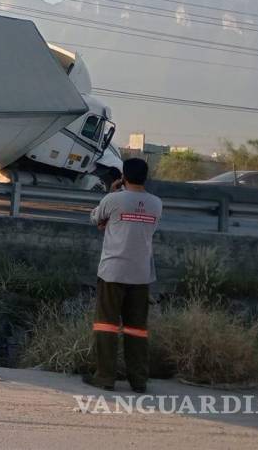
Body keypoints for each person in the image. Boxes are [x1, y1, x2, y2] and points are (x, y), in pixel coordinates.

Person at [83, 157, 162, 393]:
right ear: (145, 177)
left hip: (113, 272)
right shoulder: (156, 204)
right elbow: (146, 230)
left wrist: (111, 194)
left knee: (106, 325)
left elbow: (95, 218)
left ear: (123, 177)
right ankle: (139, 380)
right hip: (141, 274)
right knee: (136, 328)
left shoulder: (114, 199)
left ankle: (105, 377)